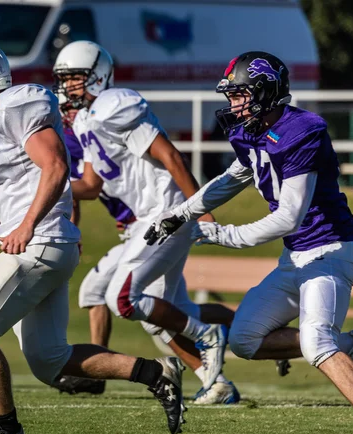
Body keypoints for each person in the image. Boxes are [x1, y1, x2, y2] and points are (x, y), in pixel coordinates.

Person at [0, 39, 186, 434]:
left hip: (41, 240)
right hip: (35, 241)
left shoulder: (14, 105)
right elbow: (2, 209)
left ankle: (6, 429)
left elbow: (54, 165)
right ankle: (157, 373)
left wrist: (29, 226)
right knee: (50, 361)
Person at [145, 51, 353, 406]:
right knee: (244, 340)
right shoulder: (250, 133)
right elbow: (231, 179)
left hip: (330, 251)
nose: (234, 104)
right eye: (231, 96)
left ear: (266, 91)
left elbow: (290, 216)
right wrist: (180, 213)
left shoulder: (302, 131)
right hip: (295, 257)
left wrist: (223, 234)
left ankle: (329, 347)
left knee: (317, 343)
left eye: (240, 95)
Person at [53, 40, 235, 397]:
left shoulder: (112, 105)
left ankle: (209, 334)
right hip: (147, 221)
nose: (68, 86)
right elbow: (90, 186)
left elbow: (171, 156)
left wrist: (202, 209)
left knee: (121, 299)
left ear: (97, 76)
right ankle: (217, 384)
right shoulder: (87, 120)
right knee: (163, 315)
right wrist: (40, 186)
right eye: (65, 79)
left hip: (166, 213)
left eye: (75, 78)